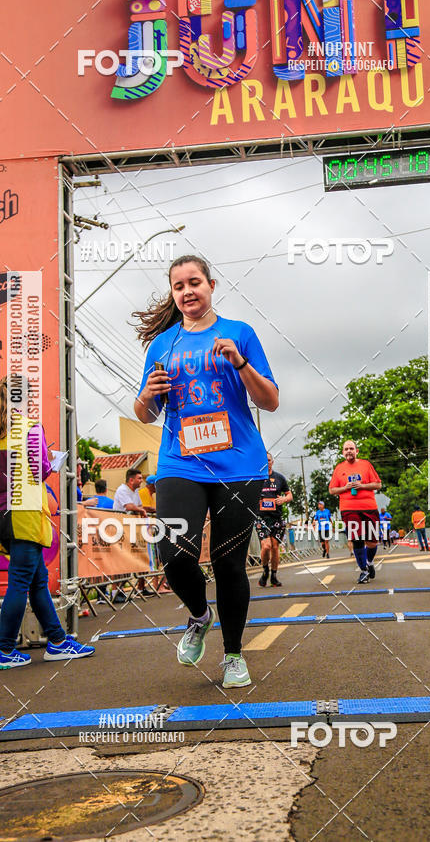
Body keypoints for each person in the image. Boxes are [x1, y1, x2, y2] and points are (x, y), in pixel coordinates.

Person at [133, 254, 279, 689]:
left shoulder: (239, 333)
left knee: (228, 563)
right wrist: (147, 394)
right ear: (173, 294)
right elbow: (144, 413)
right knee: (173, 554)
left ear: (211, 285)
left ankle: (233, 655)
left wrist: (239, 363)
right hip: (181, 462)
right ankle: (199, 616)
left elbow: (269, 401)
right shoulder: (162, 345)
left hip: (238, 464)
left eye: (194, 282)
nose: (187, 291)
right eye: (179, 286)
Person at [0, 376, 95, 669]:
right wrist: (54, 460)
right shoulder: (30, 428)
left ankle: (57, 641)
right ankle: (3, 651)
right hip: (27, 515)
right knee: (19, 582)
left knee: (37, 581)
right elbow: (40, 471)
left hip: (1, 515)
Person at [328, 440, 382, 583]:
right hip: (349, 509)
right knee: (357, 539)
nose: (349, 451)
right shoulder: (339, 469)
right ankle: (363, 571)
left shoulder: (366, 465)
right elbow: (332, 490)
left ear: (356, 451)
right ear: (342, 453)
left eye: (351, 448)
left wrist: (362, 485)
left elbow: (378, 484)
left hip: (369, 507)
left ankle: (369, 562)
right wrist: (345, 488)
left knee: (372, 541)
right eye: (346, 449)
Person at [256, 453, 293, 586]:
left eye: (269, 460)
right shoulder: (256, 477)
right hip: (261, 518)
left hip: (276, 517)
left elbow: (289, 495)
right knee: (266, 546)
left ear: (273, 462)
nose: (267, 463)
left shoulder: (279, 478)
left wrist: (283, 499)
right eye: (264, 461)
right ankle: (265, 570)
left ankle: (274, 576)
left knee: (275, 547)